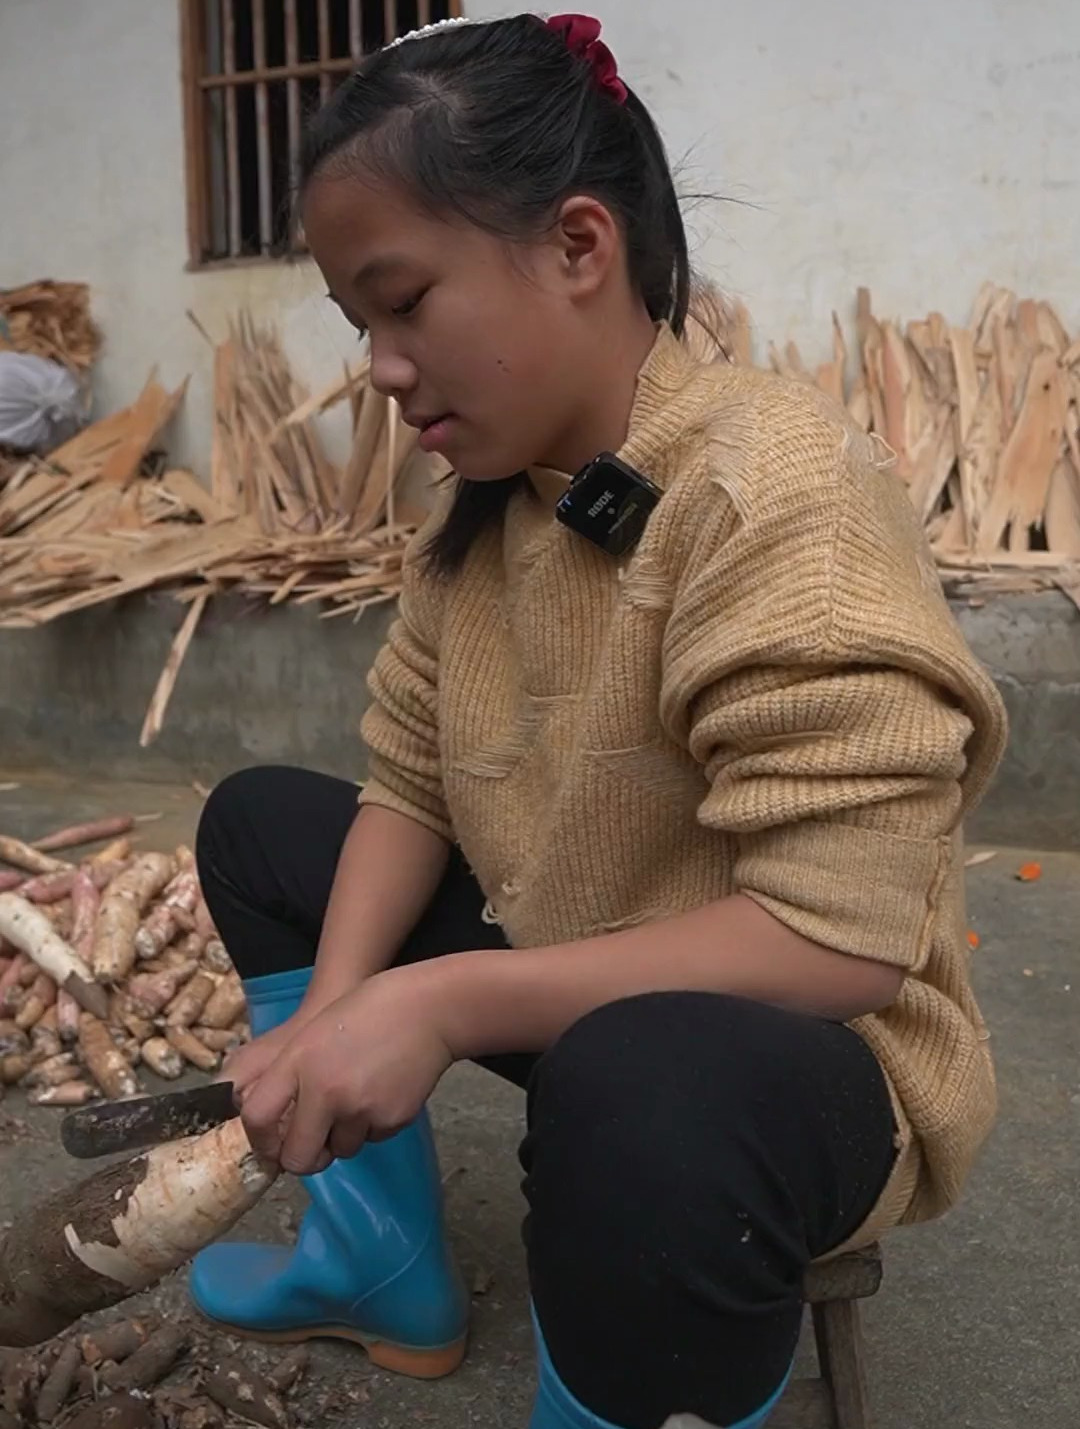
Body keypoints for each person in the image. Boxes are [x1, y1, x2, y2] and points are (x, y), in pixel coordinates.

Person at [189, 12, 1007, 1429]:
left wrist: (433, 1000)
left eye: (403, 301)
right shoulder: (495, 499)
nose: (380, 367)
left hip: (795, 1049)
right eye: (357, 325)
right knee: (265, 825)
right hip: (572, 958)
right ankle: (374, 1259)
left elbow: (842, 939)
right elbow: (408, 781)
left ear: (578, 247)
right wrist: (332, 1021)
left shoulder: (777, 496)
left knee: (650, 1093)